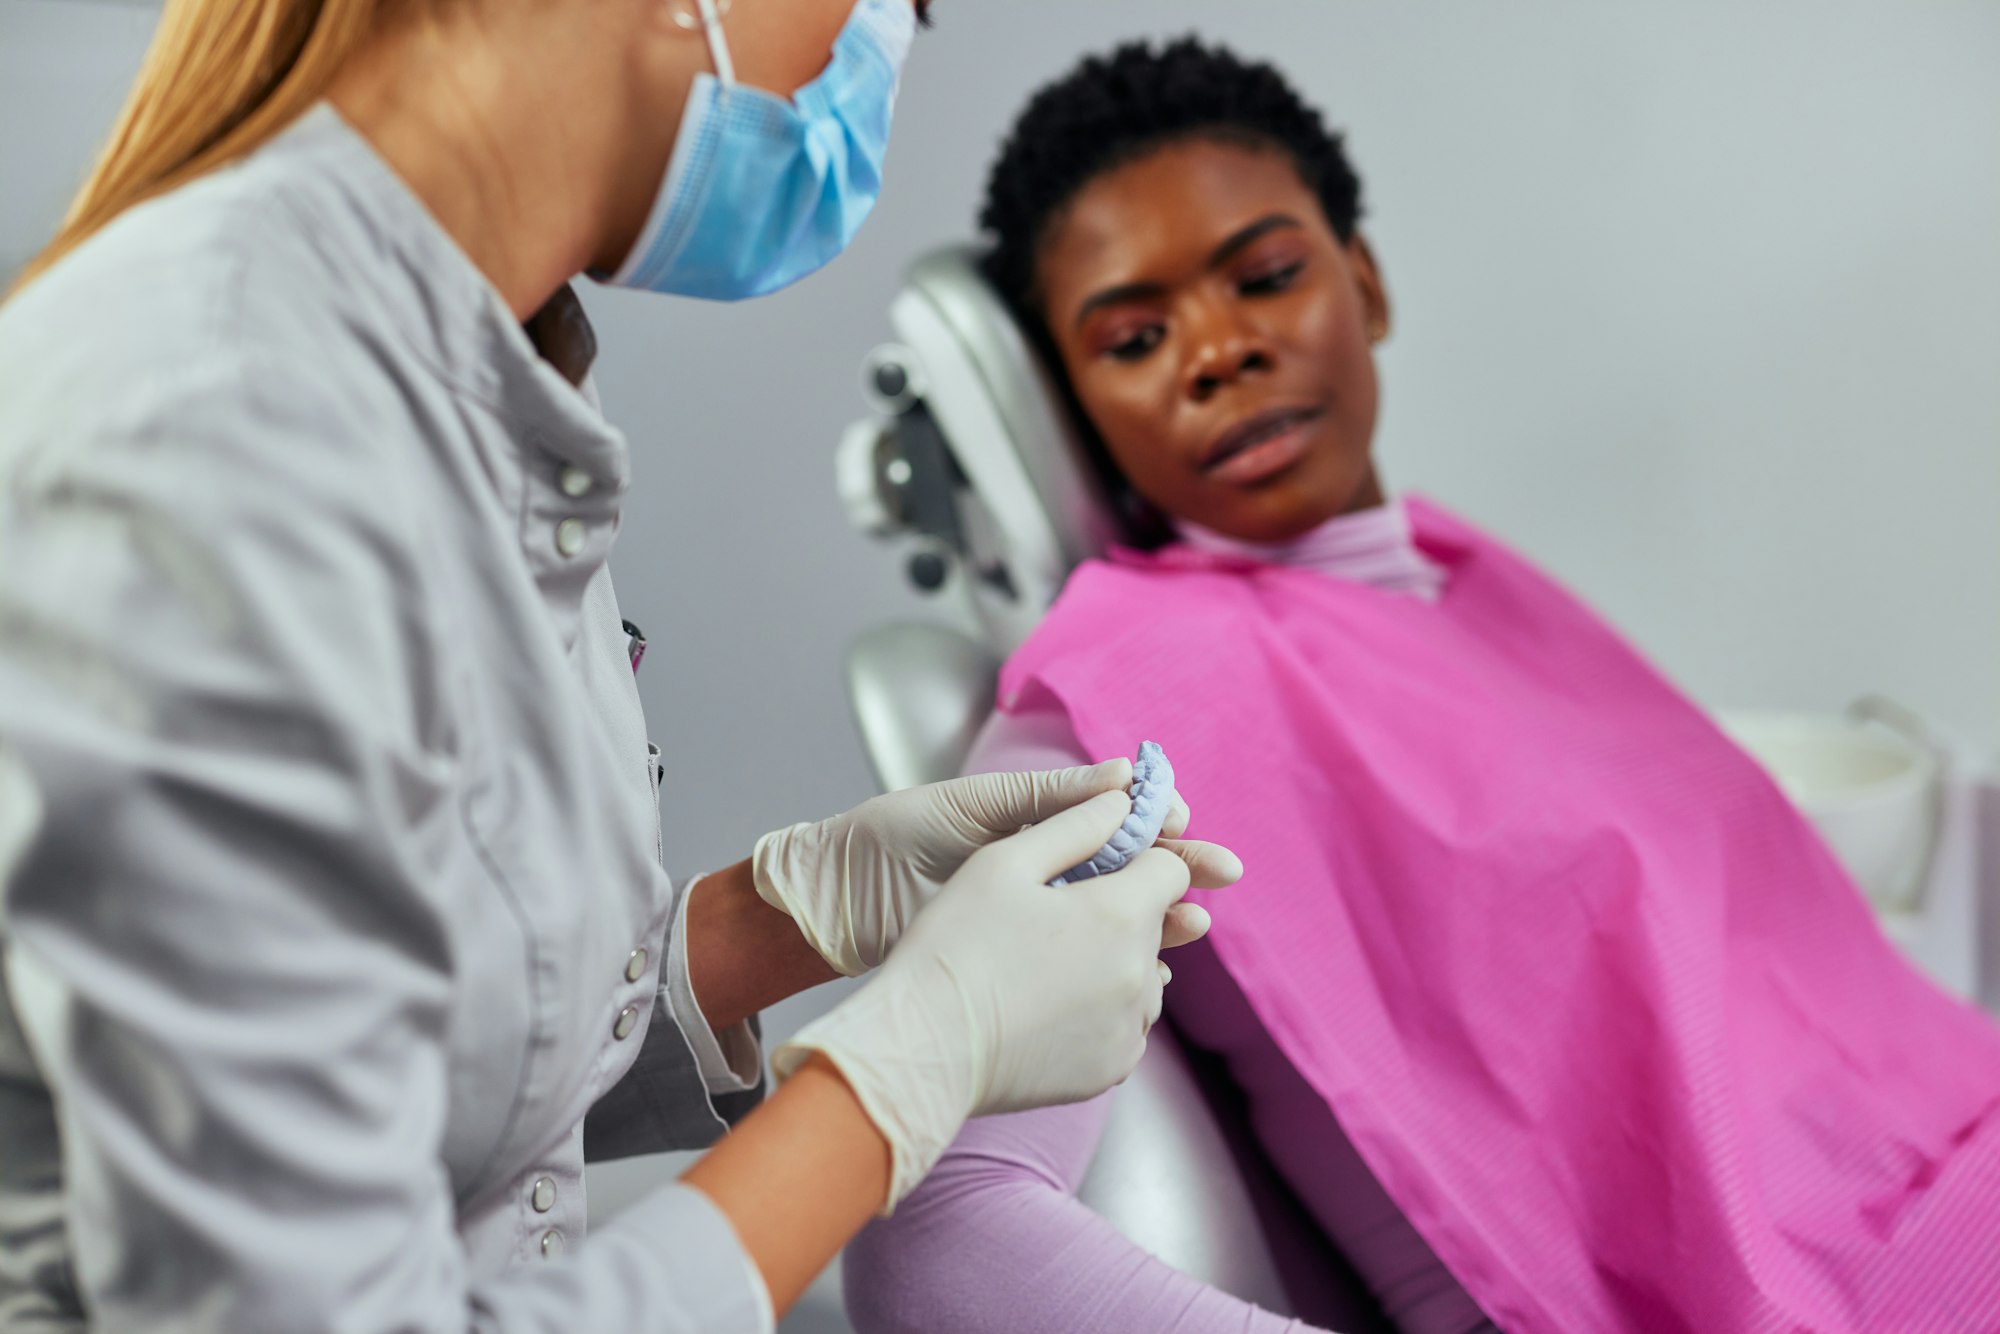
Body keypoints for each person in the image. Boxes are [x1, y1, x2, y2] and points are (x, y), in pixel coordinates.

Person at [0, 1, 1243, 1329]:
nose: (880, 60)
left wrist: (784, 921)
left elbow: (416, 1051)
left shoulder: (482, 377)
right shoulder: (219, 434)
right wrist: (901, 1077)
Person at [843, 38, 2000, 1334]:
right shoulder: (1107, 710)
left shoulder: (1456, 578)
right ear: (1076, 411)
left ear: (1368, 283)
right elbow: (946, 1238)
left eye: (1267, 275)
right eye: (1134, 337)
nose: (1216, 350)